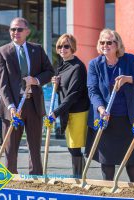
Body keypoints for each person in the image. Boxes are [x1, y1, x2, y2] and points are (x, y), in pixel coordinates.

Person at [86, 29, 134, 182]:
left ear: (117, 44)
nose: (105, 45)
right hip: (106, 119)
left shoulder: (129, 60)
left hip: (128, 119)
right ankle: (109, 194)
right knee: (107, 161)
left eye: (109, 42)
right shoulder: (94, 64)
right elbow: (92, 90)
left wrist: (128, 79)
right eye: (102, 42)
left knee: (132, 160)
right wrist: (101, 108)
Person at [0, 17, 54, 174]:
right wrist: (11, 106)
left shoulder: (37, 50)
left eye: (19, 29)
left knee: (35, 148)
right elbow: (3, 84)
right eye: (12, 29)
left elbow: (49, 72)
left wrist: (35, 80)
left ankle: (36, 183)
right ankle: (10, 185)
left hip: (33, 105)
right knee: (10, 149)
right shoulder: (2, 52)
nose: (15, 32)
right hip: (12, 108)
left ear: (27, 31)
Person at [50, 34, 90, 178]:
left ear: (72, 47)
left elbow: (74, 93)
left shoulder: (78, 67)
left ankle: (78, 177)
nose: (63, 49)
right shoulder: (61, 65)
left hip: (77, 112)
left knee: (74, 147)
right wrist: (56, 83)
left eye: (66, 46)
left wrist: (56, 112)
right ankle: (80, 175)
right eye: (60, 46)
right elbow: (63, 89)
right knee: (71, 147)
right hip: (66, 111)